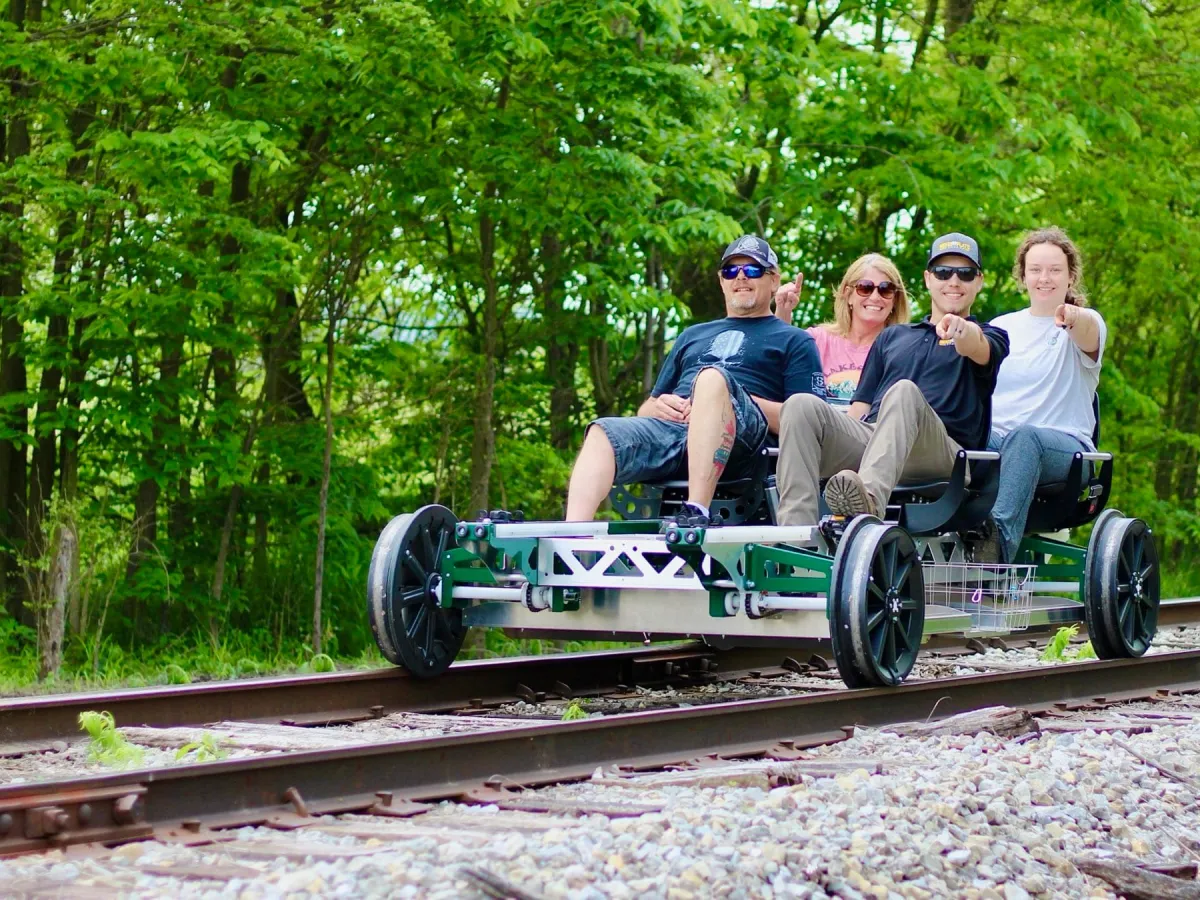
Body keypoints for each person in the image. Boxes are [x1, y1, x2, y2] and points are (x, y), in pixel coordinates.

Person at [565, 235, 826, 523]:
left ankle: (695, 513)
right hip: (676, 434)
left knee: (712, 380)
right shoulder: (692, 335)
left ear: (774, 280)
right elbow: (646, 409)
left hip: (746, 446)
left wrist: (720, 398)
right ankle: (572, 537)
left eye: (752, 270)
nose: (740, 277)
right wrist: (661, 407)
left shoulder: (795, 340)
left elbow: (810, 422)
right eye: (730, 271)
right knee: (602, 431)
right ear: (721, 281)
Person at [775, 232, 1010, 525]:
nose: (953, 281)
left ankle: (867, 504)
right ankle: (796, 540)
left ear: (978, 281)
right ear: (927, 278)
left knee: (903, 393)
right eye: (943, 272)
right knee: (800, 405)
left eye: (965, 274)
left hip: (943, 455)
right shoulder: (893, 336)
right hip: (880, 442)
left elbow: (976, 346)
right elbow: (859, 412)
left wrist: (960, 329)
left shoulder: (991, 335)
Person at [984, 227, 1106, 562]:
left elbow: (1087, 331)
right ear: (1022, 276)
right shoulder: (1001, 326)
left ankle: (996, 550)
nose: (1044, 278)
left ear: (1070, 277)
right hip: (998, 443)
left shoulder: (1087, 322)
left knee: (1026, 438)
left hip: (1065, 451)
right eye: (1035, 270)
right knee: (956, 432)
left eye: (1055, 270)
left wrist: (1071, 316)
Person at [775, 254, 912, 404]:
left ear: (895, 300)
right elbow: (776, 363)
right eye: (865, 288)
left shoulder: (902, 352)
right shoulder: (818, 340)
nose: (875, 297)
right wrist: (783, 310)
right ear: (848, 295)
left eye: (886, 290)